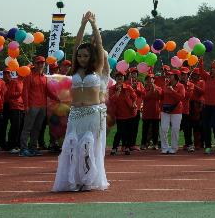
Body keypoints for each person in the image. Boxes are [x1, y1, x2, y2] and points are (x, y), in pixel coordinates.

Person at [52, 11, 109, 192]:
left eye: (85, 56)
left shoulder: (98, 69)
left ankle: (88, 179)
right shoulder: (75, 71)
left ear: (91, 57)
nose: (82, 58)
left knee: (89, 147)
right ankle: (74, 179)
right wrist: (82, 24)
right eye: (80, 56)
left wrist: (93, 24)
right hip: (76, 114)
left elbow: (99, 45)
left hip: (93, 114)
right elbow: (76, 45)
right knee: (73, 147)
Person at [19, 56, 58, 157]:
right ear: (34, 64)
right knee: (27, 128)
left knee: (37, 128)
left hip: (42, 106)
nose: (41, 65)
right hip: (32, 106)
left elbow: (47, 91)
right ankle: (23, 149)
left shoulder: (44, 77)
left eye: (42, 63)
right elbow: (25, 91)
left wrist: (56, 98)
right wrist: (26, 106)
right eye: (38, 63)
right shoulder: (29, 76)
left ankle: (33, 148)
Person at [109, 72, 137, 156]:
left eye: (121, 77)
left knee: (128, 131)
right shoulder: (112, 88)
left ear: (124, 78)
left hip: (129, 113)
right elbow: (112, 99)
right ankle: (114, 148)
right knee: (120, 132)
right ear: (115, 78)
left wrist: (134, 103)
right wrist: (118, 91)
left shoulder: (128, 87)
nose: (119, 78)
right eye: (118, 77)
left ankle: (127, 147)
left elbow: (134, 97)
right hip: (119, 114)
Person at [160, 70, 185, 154]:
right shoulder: (165, 85)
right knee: (163, 128)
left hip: (176, 111)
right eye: (169, 75)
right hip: (165, 110)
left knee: (175, 129)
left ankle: (174, 148)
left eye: (171, 75)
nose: (169, 76)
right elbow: (162, 96)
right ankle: (164, 147)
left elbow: (181, 97)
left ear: (175, 76)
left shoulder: (181, 86)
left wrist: (172, 91)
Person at [141, 73, 162, 150]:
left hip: (155, 112)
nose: (150, 80)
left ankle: (155, 144)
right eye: (148, 79)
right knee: (145, 129)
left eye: (152, 79)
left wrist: (154, 89)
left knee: (155, 129)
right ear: (146, 81)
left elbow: (159, 96)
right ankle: (143, 144)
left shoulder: (158, 88)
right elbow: (145, 97)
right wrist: (151, 90)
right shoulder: (143, 89)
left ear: (154, 80)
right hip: (146, 113)